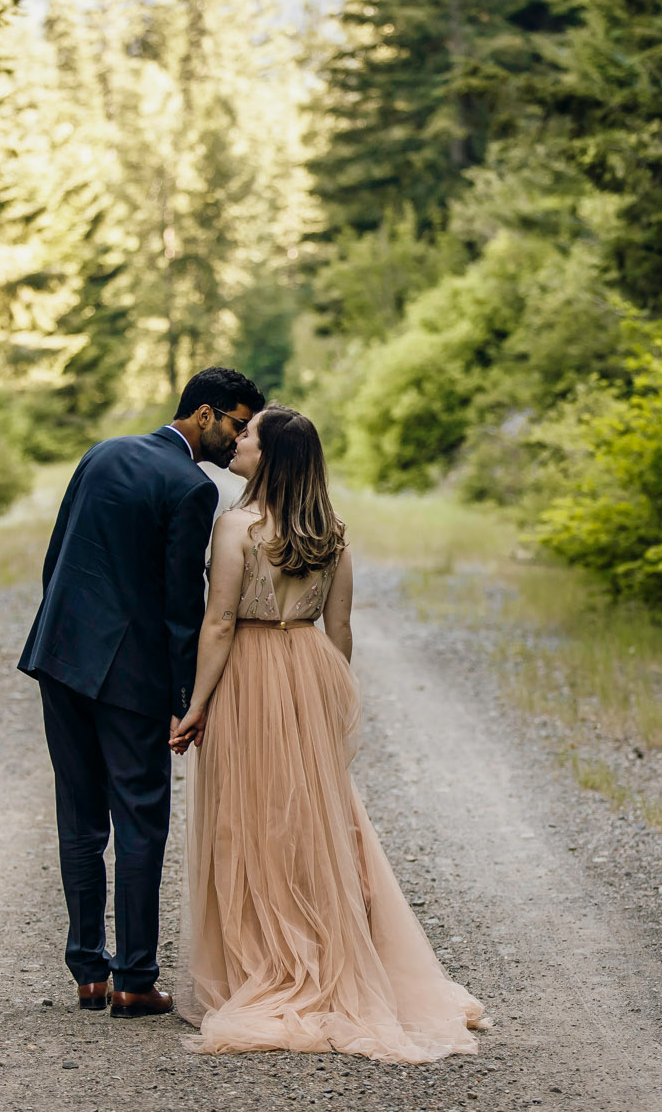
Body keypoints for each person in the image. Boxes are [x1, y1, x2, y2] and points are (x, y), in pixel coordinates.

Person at [170, 406, 488, 1061]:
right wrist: (327, 694)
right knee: (315, 815)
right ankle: (321, 941)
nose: (239, 438)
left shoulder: (237, 526)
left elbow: (221, 622)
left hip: (251, 672)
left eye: (251, 434)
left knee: (250, 815)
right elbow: (340, 630)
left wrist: (196, 703)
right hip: (309, 665)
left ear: (275, 455)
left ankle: (261, 958)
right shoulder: (332, 533)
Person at [17, 367, 265, 1019]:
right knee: (140, 821)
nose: (238, 439)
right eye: (237, 424)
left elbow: (58, 555)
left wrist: (57, 631)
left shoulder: (102, 452)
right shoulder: (188, 486)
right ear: (205, 413)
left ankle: (88, 973)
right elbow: (183, 606)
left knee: (78, 816)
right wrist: (189, 698)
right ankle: (133, 978)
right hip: (130, 679)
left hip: (61, 656)